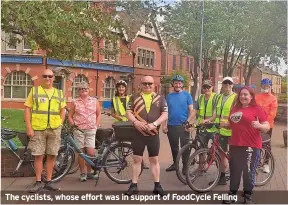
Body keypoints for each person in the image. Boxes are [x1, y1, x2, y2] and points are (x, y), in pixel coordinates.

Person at [221, 86, 270, 204]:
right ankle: (232, 193)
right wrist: (223, 124)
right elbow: (231, 123)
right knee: (235, 170)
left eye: (246, 94)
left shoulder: (257, 109)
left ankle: (247, 195)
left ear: (251, 96)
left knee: (248, 171)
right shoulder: (235, 108)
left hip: (251, 146)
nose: (243, 96)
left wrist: (260, 125)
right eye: (241, 94)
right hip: (235, 144)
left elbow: (267, 126)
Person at [125, 76, 168, 196]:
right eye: (145, 83)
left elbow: (165, 114)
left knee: (154, 160)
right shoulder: (134, 97)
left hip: (153, 134)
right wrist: (135, 122)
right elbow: (128, 112)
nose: (147, 86)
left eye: (150, 84)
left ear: (154, 85)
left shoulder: (160, 98)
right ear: (141, 84)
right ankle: (134, 185)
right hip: (138, 133)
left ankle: (157, 186)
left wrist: (155, 124)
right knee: (137, 159)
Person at [24, 69, 66, 193]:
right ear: (42, 78)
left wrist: (60, 123)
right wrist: (29, 127)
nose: (47, 78)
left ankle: (48, 181)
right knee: (38, 156)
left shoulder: (59, 93)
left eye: (50, 76)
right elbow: (27, 109)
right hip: (38, 128)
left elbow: (62, 109)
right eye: (45, 76)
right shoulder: (35, 90)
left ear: (53, 78)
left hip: (54, 128)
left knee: (52, 155)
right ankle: (38, 182)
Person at [205, 77, 237, 185]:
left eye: (229, 83)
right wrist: (207, 120)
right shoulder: (219, 97)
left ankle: (235, 177)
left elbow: (238, 115)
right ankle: (222, 177)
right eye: (225, 83)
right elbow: (215, 114)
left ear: (232, 85)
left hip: (232, 131)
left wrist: (230, 124)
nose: (227, 85)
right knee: (222, 155)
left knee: (234, 156)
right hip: (220, 130)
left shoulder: (236, 98)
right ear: (222, 85)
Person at [68, 81, 101, 182]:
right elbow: (70, 115)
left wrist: (96, 125)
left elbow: (98, 114)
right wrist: (73, 124)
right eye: (81, 89)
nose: (84, 90)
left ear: (88, 90)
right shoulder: (75, 102)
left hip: (91, 129)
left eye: (85, 89)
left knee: (90, 152)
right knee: (81, 153)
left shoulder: (94, 101)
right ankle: (83, 173)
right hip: (79, 130)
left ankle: (89, 172)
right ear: (79, 91)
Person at [162, 75, 193, 173]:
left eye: (179, 83)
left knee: (185, 147)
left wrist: (189, 123)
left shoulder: (187, 95)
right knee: (174, 147)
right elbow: (165, 112)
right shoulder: (169, 96)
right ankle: (175, 164)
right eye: (176, 83)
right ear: (173, 84)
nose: (178, 85)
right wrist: (164, 125)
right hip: (171, 125)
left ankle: (185, 166)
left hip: (183, 125)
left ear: (182, 84)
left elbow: (192, 110)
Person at [255, 78, 278, 173]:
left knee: (267, 145)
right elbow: (253, 109)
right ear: (261, 86)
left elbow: (272, 114)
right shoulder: (257, 97)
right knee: (257, 144)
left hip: (268, 126)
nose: (266, 88)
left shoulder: (273, 98)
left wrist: (263, 124)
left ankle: (266, 164)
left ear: (270, 87)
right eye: (264, 86)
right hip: (257, 124)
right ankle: (257, 163)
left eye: (267, 86)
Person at [191, 80, 218, 145]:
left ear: (212, 87)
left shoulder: (216, 97)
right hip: (203, 128)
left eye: (208, 87)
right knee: (202, 149)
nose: (206, 89)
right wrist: (188, 121)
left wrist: (207, 120)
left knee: (215, 150)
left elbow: (216, 114)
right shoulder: (200, 97)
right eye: (204, 87)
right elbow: (194, 110)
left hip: (213, 128)